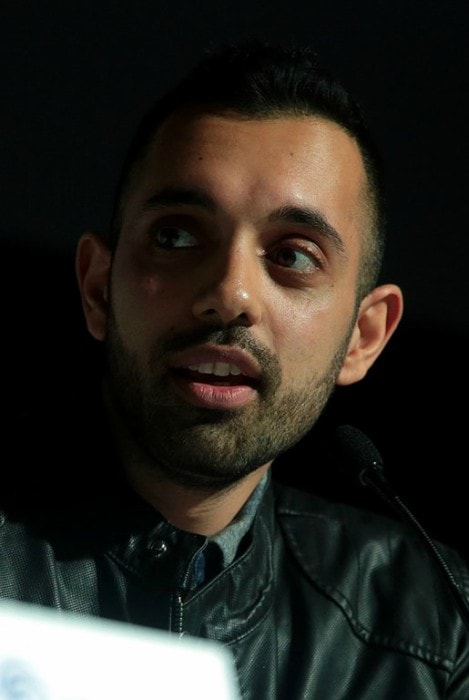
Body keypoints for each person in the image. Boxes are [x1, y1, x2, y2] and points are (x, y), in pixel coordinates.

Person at [1, 39, 469, 698]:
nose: (231, 294)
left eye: (293, 256)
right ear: (98, 289)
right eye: (177, 237)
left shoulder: (431, 626)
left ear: (364, 337)